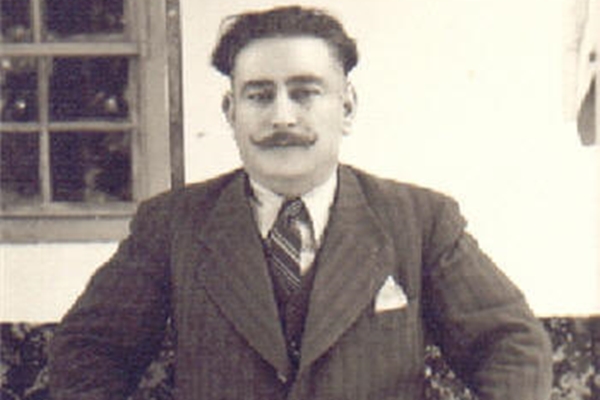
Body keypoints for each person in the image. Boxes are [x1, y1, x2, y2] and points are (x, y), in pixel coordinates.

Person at [49, 5, 553, 400]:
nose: (282, 117)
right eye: (259, 95)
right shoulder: (172, 225)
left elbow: (512, 346)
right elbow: (88, 350)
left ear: (346, 106)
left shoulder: (421, 221)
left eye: (305, 92)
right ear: (230, 111)